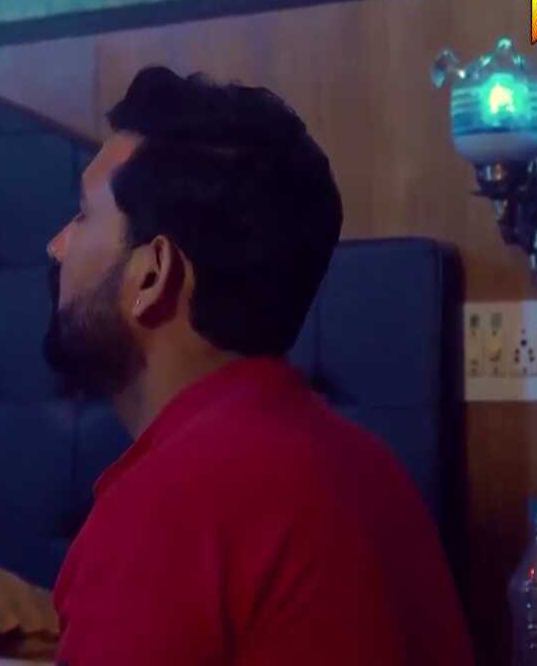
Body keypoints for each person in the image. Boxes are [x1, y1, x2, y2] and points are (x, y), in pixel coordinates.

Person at [44, 66, 474, 665]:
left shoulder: (166, 509)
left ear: (152, 275)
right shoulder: (375, 472)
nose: (56, 246)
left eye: (82, 215)